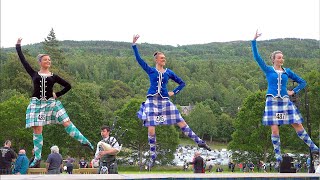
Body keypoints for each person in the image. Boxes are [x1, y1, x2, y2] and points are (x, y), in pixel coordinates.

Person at [131, 34, 211, 166]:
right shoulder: (151, 71)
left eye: (165, 58)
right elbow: (139, 60)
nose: (164, 60)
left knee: (181, 121)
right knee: (151, 128)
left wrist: (174, 92)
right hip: (151, 101)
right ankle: (152, 155)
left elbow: (182, 83)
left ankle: (200, 141)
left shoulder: (169, 72)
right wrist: (134, 45)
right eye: (162, 58)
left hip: (165, 102)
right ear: (156, 60)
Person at [15, 38, 94, 167]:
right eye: (45, 59)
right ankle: (37, 157)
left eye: (49, 60)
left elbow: (68, 86)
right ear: (40, 62)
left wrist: (57, 94)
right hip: (36, 104)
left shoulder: (54, 76)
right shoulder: (34, 73)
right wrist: (18, 46)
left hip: (51, 103)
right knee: (37, 130)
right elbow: (23, 60)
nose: (48, 61)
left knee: (66, 122)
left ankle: (85, 141)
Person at [251, 30, 319, 166]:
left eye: (282, 57)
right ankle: (278, 154)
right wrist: (253, 41)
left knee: (297, 124)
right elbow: (257, 58)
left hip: (285, 101)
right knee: (275, 129)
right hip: (272, 101)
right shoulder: (269, 70)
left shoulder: (287, 71)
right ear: (273, 59)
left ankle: (313, 147)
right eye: (279, 57)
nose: (281, 59)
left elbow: (303, 82)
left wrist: (293, 91)